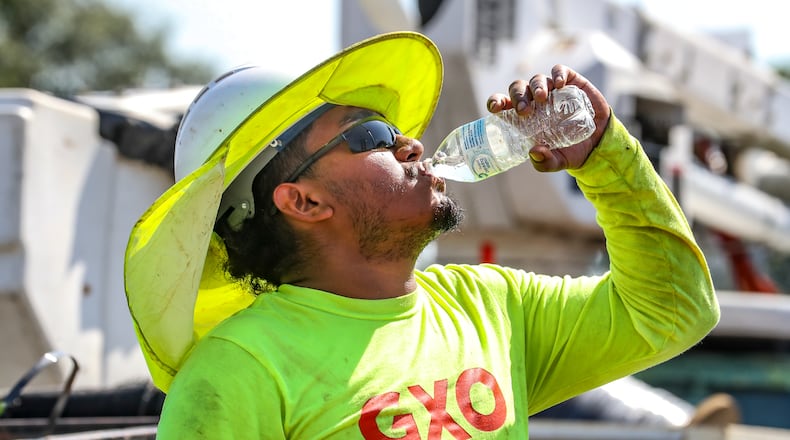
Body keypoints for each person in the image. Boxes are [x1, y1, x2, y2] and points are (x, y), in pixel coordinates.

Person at [124, 31, 720, 439]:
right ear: (302, 201)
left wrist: (604, 155)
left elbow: (673, 311)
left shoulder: (490, 306)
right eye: (369, 135)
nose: (409, 142)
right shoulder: (237, 370)